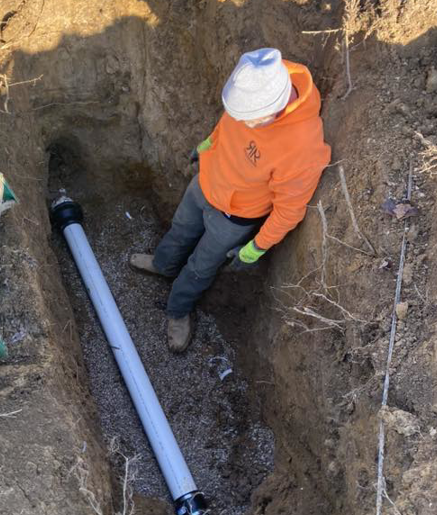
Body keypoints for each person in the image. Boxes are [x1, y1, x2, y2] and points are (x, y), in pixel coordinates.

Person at [130, 47, 331, 353]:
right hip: (204, 184)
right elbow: (226, 125)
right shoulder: (252, 84)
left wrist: (257, 246)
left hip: (232, 218)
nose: (241, 122)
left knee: (200, 266)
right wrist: (207, 145)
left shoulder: (301, 148)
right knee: (179, 230)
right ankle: (163, 265)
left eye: (248, 120)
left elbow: (289, 211)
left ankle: (178, 310)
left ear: (273, 109)